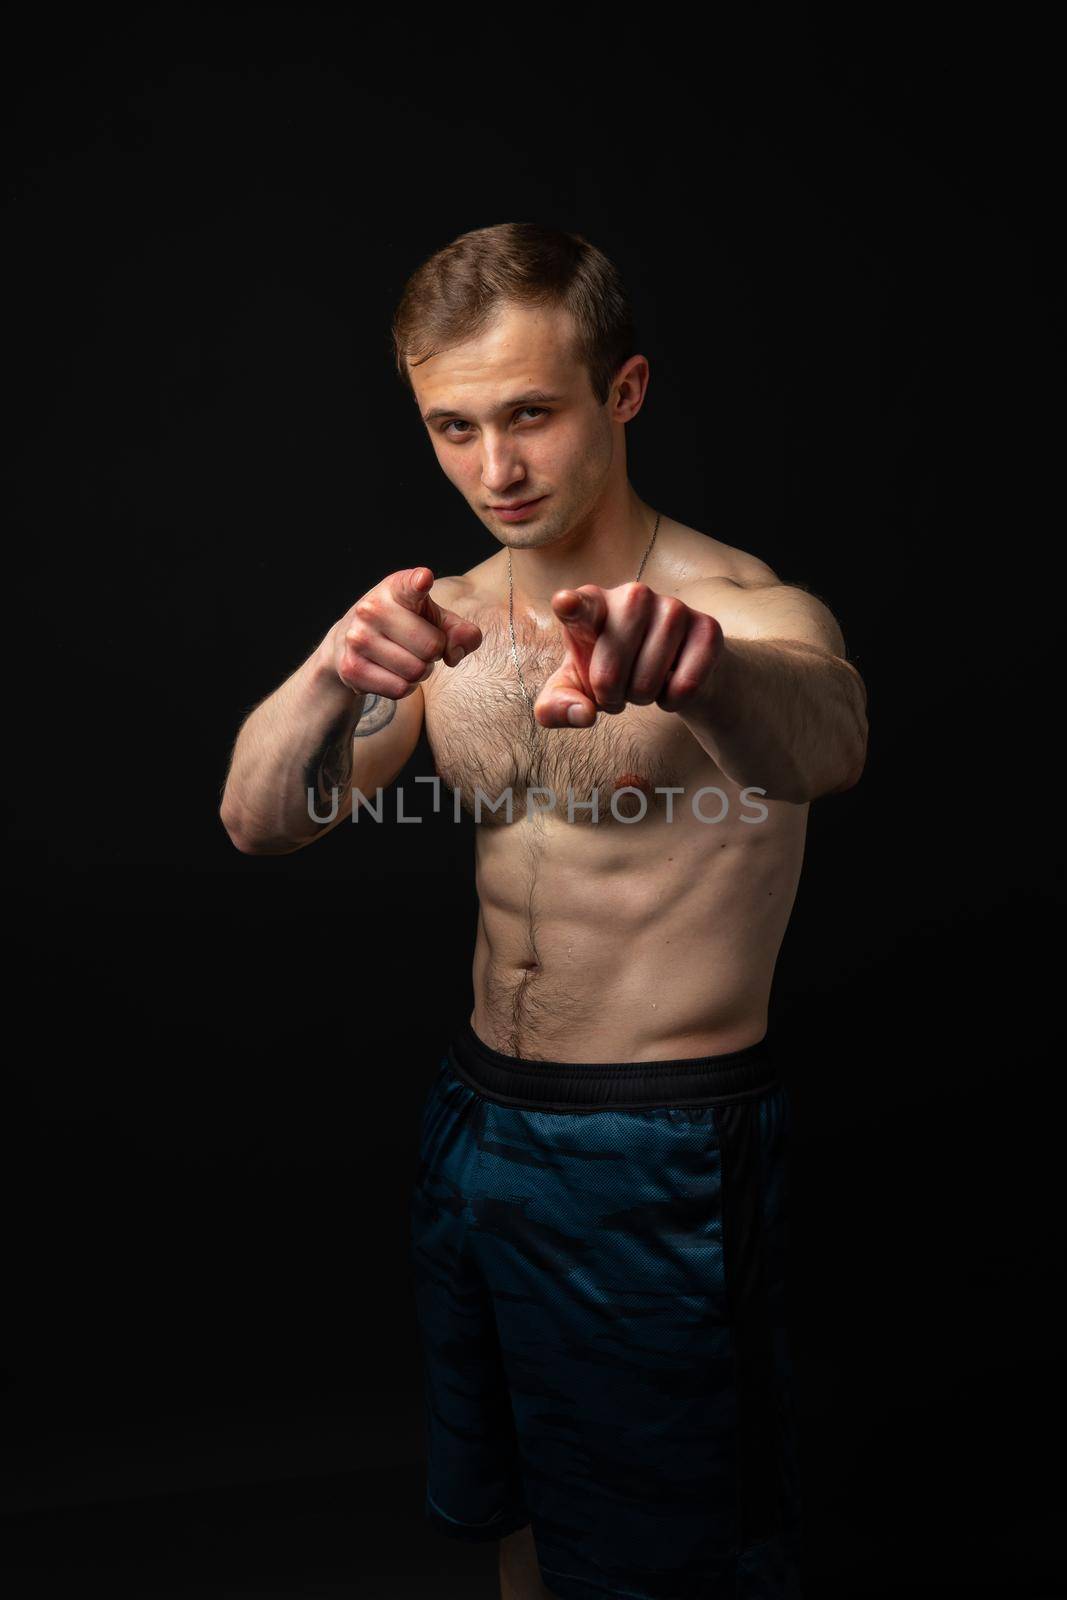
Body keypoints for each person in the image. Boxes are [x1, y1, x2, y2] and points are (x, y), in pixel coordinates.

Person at [219, 222, 868, 1600]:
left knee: (674, 1554)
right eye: (452, 428)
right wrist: (336, 672)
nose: (493, 471)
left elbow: (823, 738)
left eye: (530, 415)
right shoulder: (441, 620)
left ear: (623, 394)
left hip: (661, 1148)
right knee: (523, 1512)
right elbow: (261, 818)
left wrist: (702, 680)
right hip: (479, 1122)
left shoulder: (731, 611)